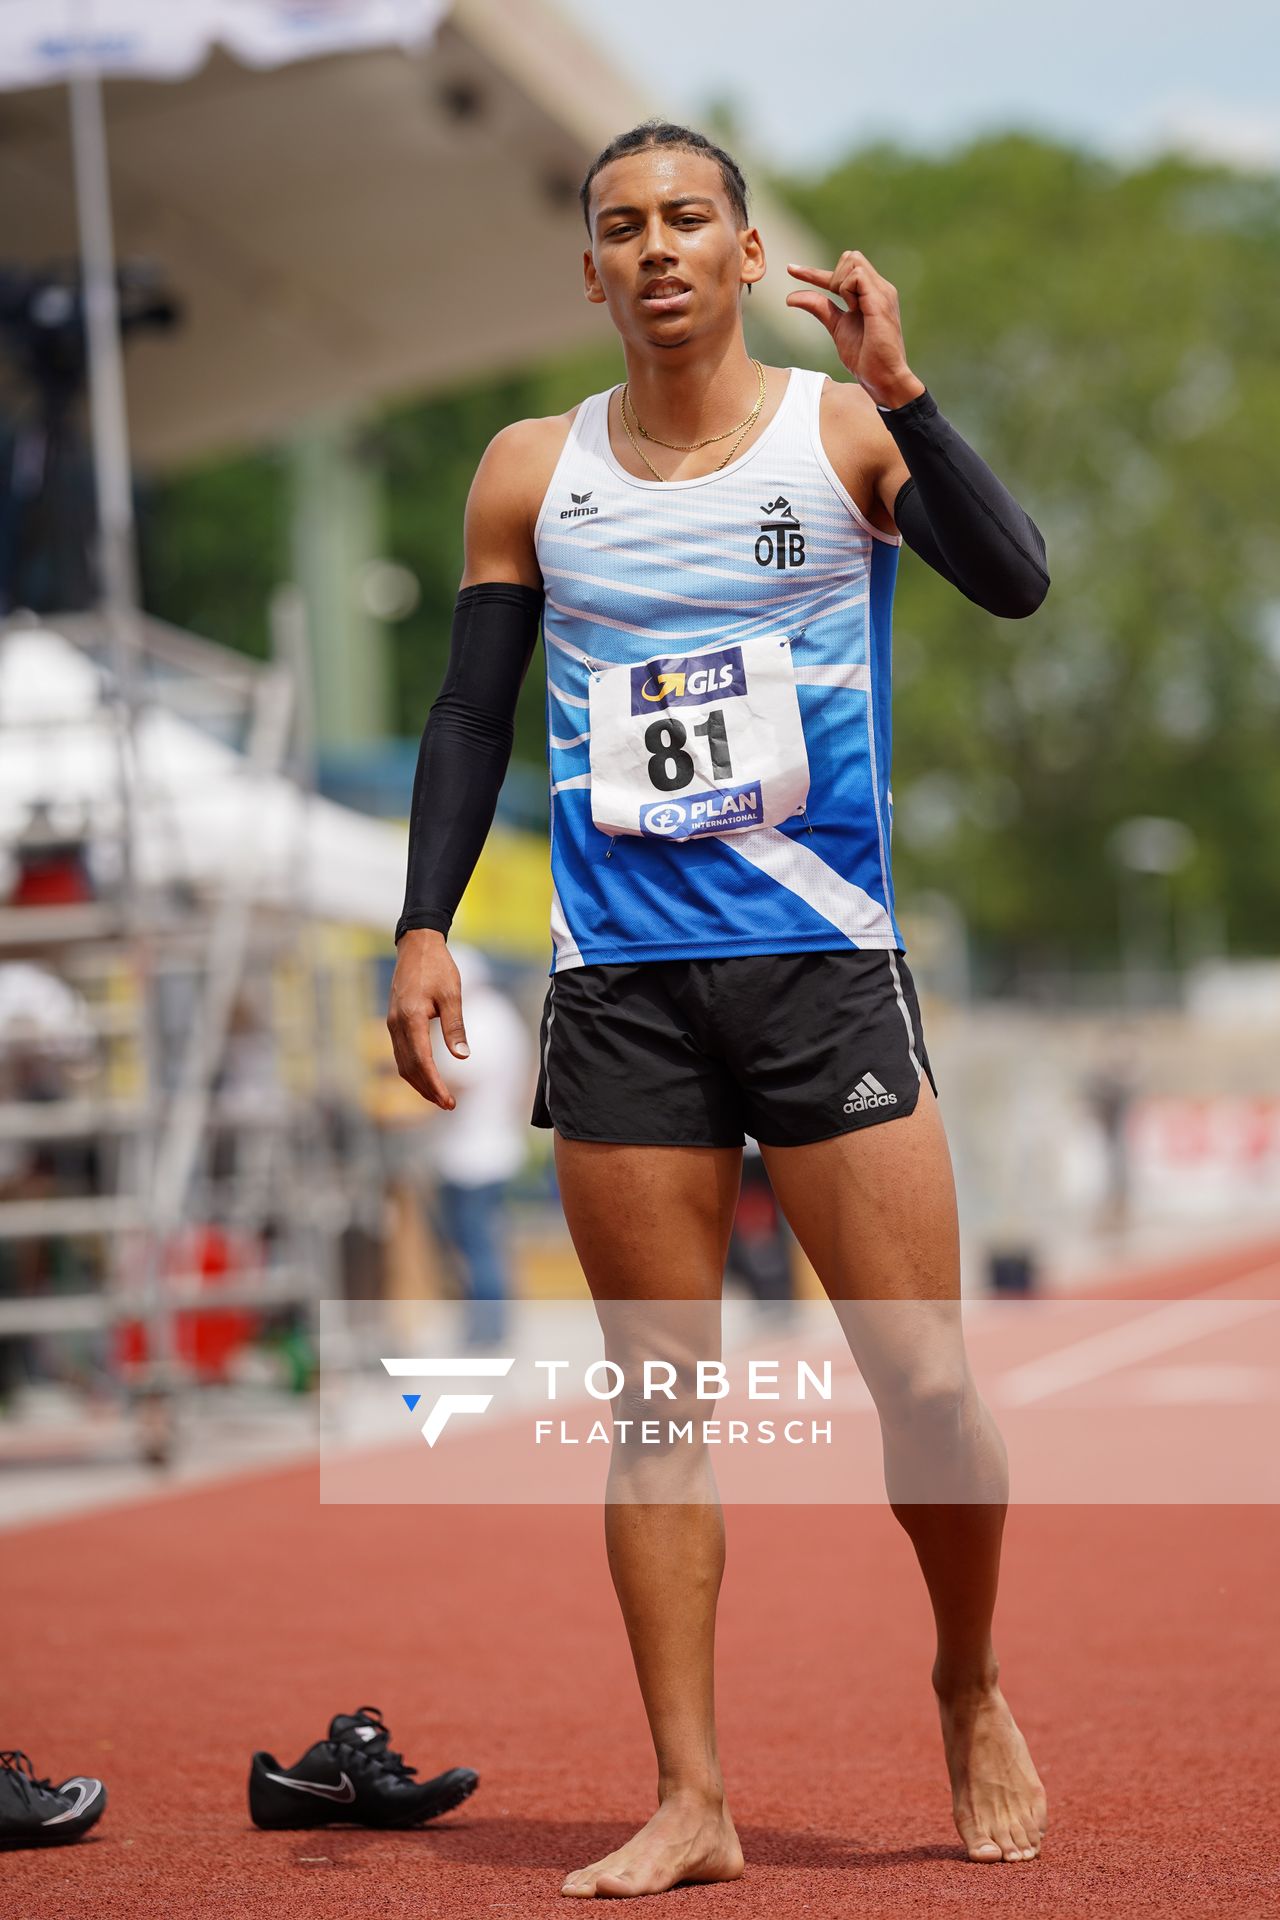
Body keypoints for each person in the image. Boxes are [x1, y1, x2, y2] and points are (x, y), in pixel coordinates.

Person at [388, 120, 1050, 1897]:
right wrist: (422, 921)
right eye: (624, 227)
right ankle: (691, 1796)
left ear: (751, 256)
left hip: (826, 967)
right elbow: (468, 718)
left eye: (691, 219)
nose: (658, 247)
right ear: (588, 269)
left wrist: (907, 397)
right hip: (624, 991)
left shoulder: (838, 438)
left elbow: (1015, 577)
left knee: (922, 1382)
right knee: (658, 1404)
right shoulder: (533, 469)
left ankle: (969, 1678)